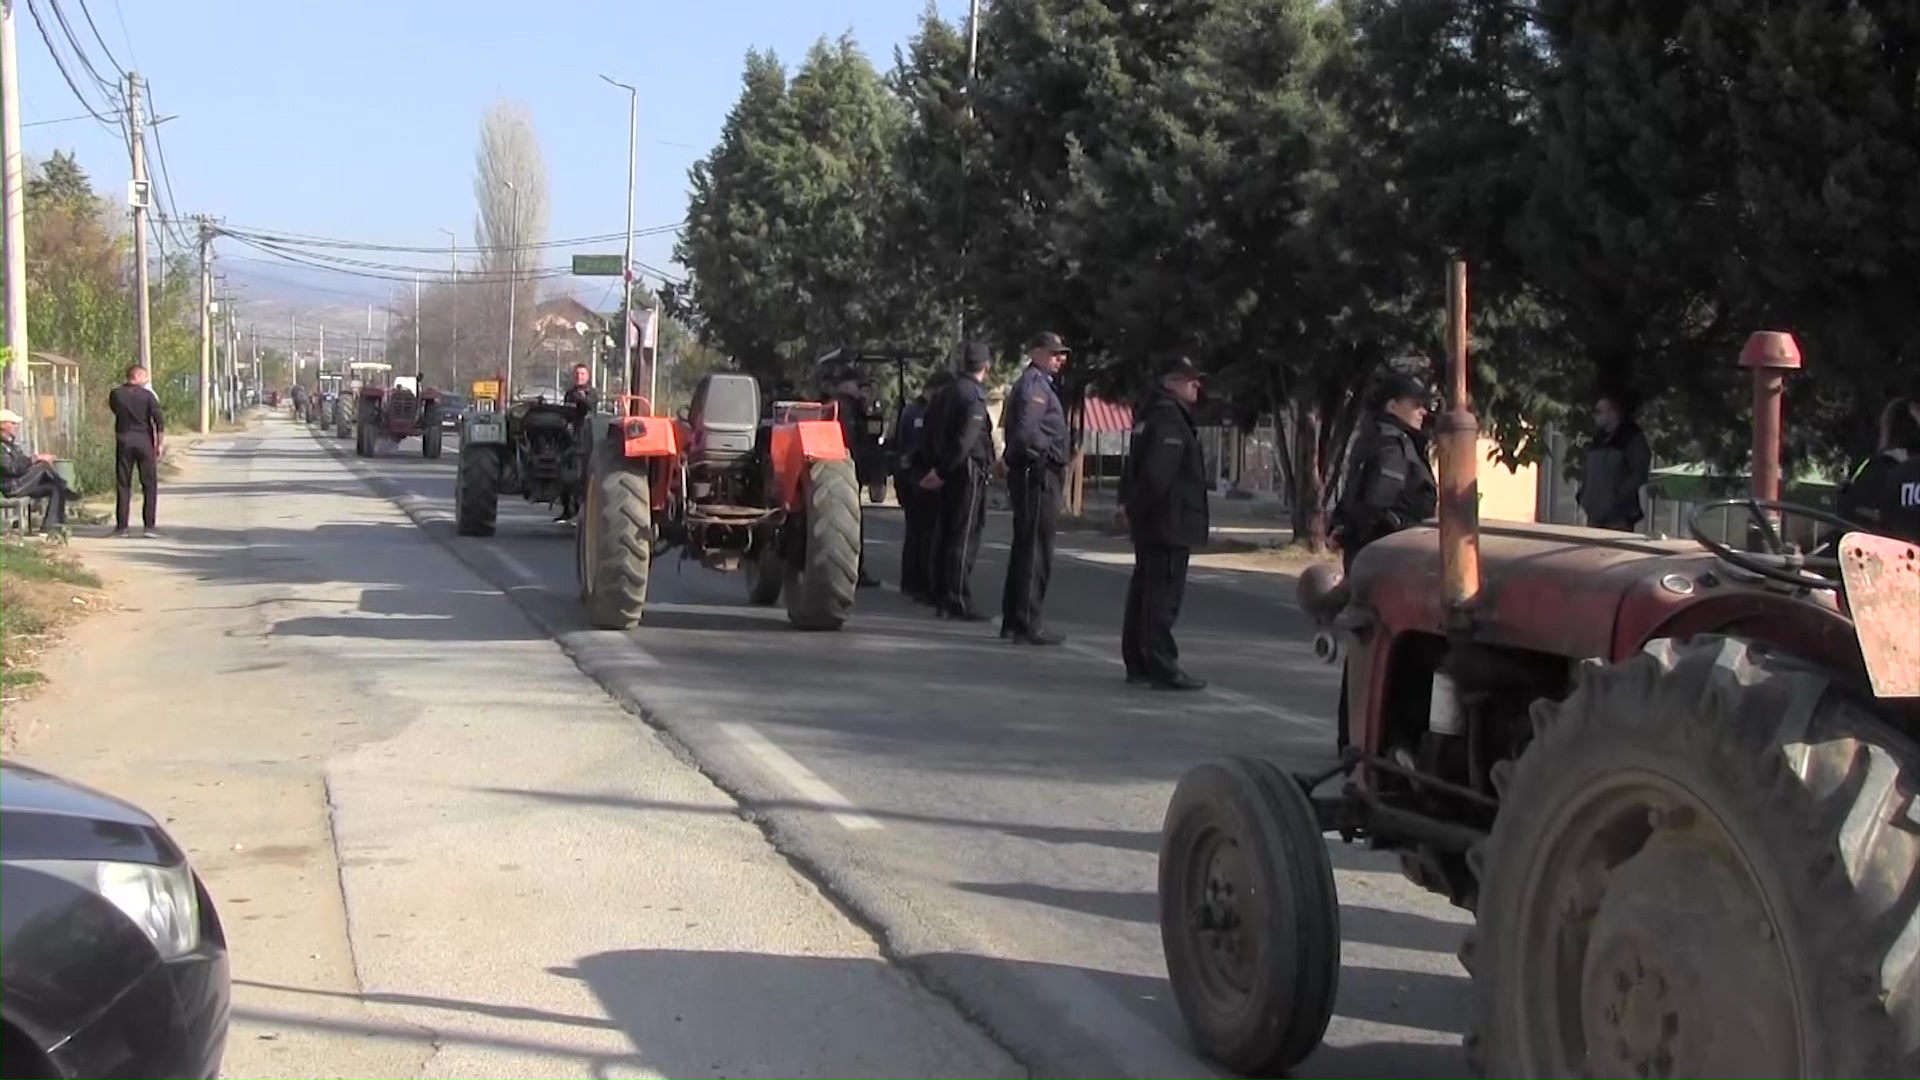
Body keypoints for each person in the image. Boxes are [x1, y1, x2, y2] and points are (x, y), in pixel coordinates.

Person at [1329, 370, 1438, 748]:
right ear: (1394, 406)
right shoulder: (1395, 445)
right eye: (1416, 405)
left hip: (1371, 555)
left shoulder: (1371, 436)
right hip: (1391, 560)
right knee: (1393, 651)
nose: (1423, 412)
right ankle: (1373, 744)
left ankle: (1354, 739)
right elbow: (1380, 500)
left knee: (1366, 647)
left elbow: (1352, 502)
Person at [1118, 355, 1211, 691]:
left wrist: (1129, 506)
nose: (1196, 385)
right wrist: (1136, 507)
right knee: (1161, 596)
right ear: (1171, 383)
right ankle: (1160, 664)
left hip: (1154, 521)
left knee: (1145, 590)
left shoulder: (1150, 414)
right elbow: (1157, 475)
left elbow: (1133, 470)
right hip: (1168, 521)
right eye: (1190, 380)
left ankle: (1139, 661)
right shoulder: (1169, 419)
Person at [999, 330, 1072, 645]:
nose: (1060, 359)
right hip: (1038, 474)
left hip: (1035, 473)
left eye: (1062, 353)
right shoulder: (1035, 385)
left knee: (1028, 546)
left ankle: (1016, 621)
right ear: (1036, 352)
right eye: (1054, 353)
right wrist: (1041, 455)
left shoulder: (1041, 384)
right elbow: (1027, 431)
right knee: (1036, 549)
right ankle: (1027, 621)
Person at [921, 343, 995, 621]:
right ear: (986, 367)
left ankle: (940, 594)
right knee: (964, 536)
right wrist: (943, 469)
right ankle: (957, 598)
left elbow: (929, 429)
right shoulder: (973, 395)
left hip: (947, 470)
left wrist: (934, 467)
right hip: (966, 471)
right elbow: (966, 439)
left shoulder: (945, 392)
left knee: (945, 532)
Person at [894, 370, 953, 602]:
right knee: (922, 532)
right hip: (916, 477)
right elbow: (915, 446)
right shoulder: (920, 412)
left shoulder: (912, 410)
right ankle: (917, 581)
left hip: (912, 475)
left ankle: (913, 580)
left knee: (918, 532)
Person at [827, 368, 883, 588]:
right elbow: (850, 443)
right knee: (849, 523)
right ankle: (852, 568)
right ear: (847, 385)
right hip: (844, 472)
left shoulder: (847, 407)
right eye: (859, 386)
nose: (862, 391)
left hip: (844, 473)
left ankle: (853, 567)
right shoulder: (843, 408)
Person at [1578, 392, 1652, 532]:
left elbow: (1640, 472)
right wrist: (1583, 496)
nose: (1596, 416)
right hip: (1594, 516)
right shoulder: (1597, 440)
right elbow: (1589, 472)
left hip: (1619, 517)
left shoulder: (1632, 438)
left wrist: (1618, 495)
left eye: (1599, 412)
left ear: (1613, 413)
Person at [107, 364, 166, 537]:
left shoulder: (116, 394)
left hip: (124, 440)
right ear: (138, 376)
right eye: (145, 377)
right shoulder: (148, 396)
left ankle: (122, 527)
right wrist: (159, 444)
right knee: (149, 484)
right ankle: (149, 526)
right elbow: (159, 421)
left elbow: (115, 410)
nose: (147, 380)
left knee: (123, 484)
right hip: (144, 442)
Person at [0, 408, 75, 531]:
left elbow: (22, 462)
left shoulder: (11, 445)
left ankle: (51, 525)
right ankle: (65, 486)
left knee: (55, 487)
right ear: (3, 425)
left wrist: (34, 460)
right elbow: (12, 468)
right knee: (43, 466)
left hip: (21, 483)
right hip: (12, 486)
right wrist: (36, 459)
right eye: (13, 424)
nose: (17, 426)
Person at [556, 363, 599, 522]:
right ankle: (567, 509)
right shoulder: (570, 393)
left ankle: (583, 511)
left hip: (587, 436)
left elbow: (590, 407)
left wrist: (582, 398)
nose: (579, 377)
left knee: (583, 474)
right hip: (571, 435)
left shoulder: (592, 393)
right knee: (566, 472)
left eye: (582, 374)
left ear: (587, 376)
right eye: (577, 374)